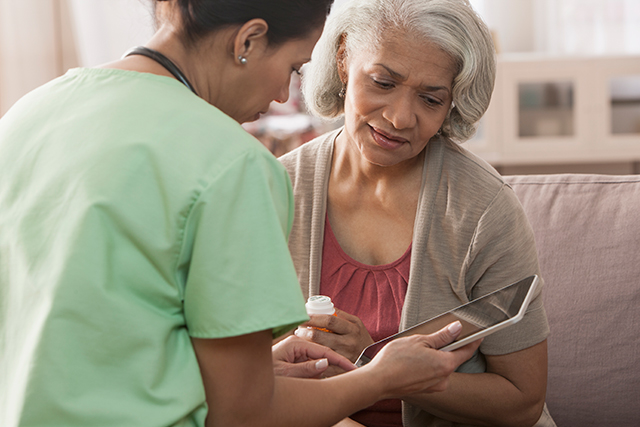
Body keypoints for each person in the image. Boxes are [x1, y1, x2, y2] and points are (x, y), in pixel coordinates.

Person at [0, 1, 483, 427]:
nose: (280, 94)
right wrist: (379, 378)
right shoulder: (233, 163)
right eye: (294, 67)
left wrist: (247, 368)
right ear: (248, 40)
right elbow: (245, 416)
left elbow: (88, 339)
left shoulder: (29, 113)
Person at [279, 0, 557, 426]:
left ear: (452, 104)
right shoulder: (278, 190)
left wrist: (380, 368)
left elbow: (522, 401)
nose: (400, 117)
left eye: (430, 99)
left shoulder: (483, 210)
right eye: (383, 83)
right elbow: (245, 374)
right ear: (342, 59)